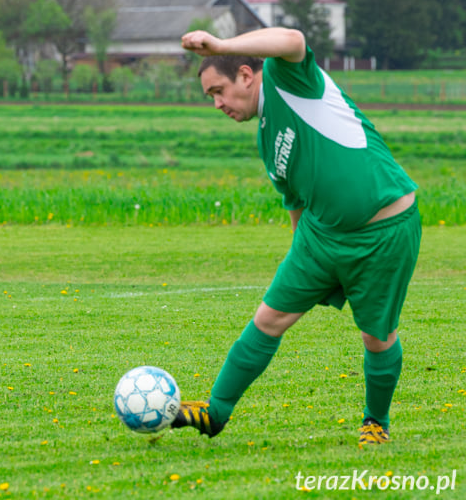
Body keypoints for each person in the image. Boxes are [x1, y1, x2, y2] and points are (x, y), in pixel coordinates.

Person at [173, 27, 420, 446]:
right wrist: (299, 259)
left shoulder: (289, 81)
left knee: (377, 335)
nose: (216, 104)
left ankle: (375, 423)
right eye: (209, 97)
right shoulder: (266, 138)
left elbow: (293, 39)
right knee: (269, 318)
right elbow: (295, 202)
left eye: (218, 90)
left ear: (247, 75)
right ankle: (215, 412)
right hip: (319, 237)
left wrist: (221, 46)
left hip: (384, 230)